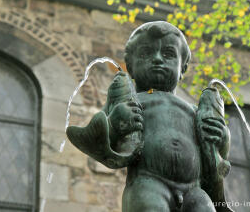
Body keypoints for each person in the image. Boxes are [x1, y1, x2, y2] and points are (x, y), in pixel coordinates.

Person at [67, 21, 232, 212]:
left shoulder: (194, 111)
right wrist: (116, 121)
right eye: (146, 54)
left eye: (168, 54)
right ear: (130, 66)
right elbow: (97, 138)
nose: (157, 59)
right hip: (149, 182)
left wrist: (222, 136)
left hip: (193, 189)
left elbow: (218, 154)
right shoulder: (131, 101)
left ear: (183, 68)